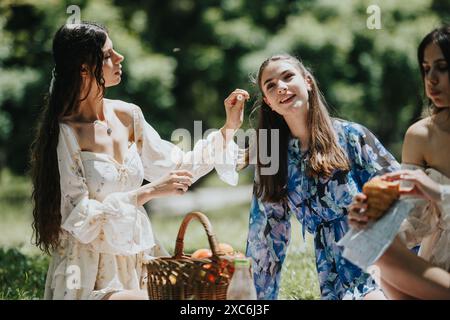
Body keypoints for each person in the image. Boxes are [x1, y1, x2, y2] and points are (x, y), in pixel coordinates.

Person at [30, 22, 247, 300]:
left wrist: (229, 128)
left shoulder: (128, 115)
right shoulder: (66, 131)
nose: (119, 58)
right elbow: (79, 215)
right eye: (108, 55)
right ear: (83, 68)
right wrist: (150, 191)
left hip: (142, 261)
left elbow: (177, 167)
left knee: (223, 293)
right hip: (88, 273)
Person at [243, 54, 400, 300]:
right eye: (271, 85)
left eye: (287, 77)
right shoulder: (273, 158)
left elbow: (401, 195)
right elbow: (265, 237)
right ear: (268, 102)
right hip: (332, 273)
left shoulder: (350, 136)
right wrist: (256, 300)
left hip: (380, 258)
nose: (281, 87)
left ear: (308, 82)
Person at [348, 25, 450, 299]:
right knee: (378, 246)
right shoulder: (420, 135)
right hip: (437, 272)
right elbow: (414, 221)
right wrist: (372, 220)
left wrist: (436, 191)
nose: (432, 79)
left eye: (442, 67)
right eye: (426, 69)